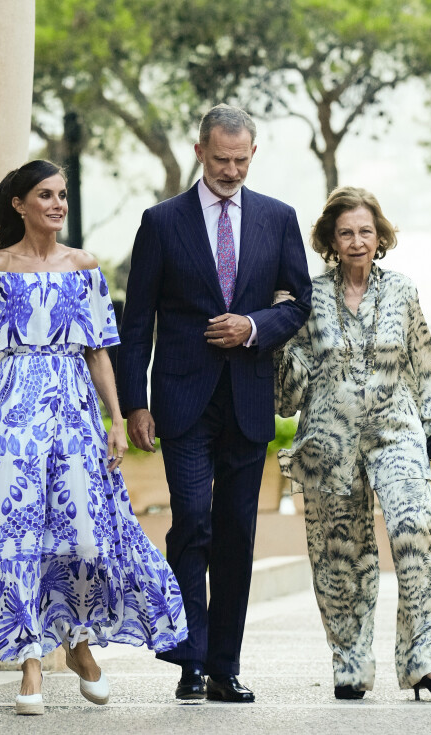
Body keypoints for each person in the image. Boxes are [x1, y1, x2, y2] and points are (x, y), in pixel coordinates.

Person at [0, 160, 187, 715]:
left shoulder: (85, 266)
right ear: (19, 205)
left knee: (81, 532)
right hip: (14, 408)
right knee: (16, 531)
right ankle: (30, 663)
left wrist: (116, 420)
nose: (57, 204)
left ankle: (77, 646)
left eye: (63, 195)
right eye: (45, 195)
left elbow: (99, 350)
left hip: (73, 406)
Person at [116, 104, 312, 703]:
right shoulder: (161, 221)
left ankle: (224, 667)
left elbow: (300, 302)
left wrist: (252, 326)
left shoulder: (278, 219)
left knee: (236, 533)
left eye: (241, 160)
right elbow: (138, 317)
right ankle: (190, 658)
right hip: (182, 400)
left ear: (253, 154)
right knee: (193, 522)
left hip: (249, 403)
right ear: (199, 151)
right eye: (221, 159)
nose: (231, 170)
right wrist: (135, 403)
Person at [274, 186, 431, 701]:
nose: (357, 241)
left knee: (416, 531)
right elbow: (286, 395)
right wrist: (276, 330)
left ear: (379, 235)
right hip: (327, 441)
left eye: (365, 231)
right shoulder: (308, 299)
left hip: (396, 433)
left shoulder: (402, 290)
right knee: (340, 555)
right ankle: (350, 664)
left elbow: (424, 360)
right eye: (346, 233)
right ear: (330, 241)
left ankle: (426, 661)